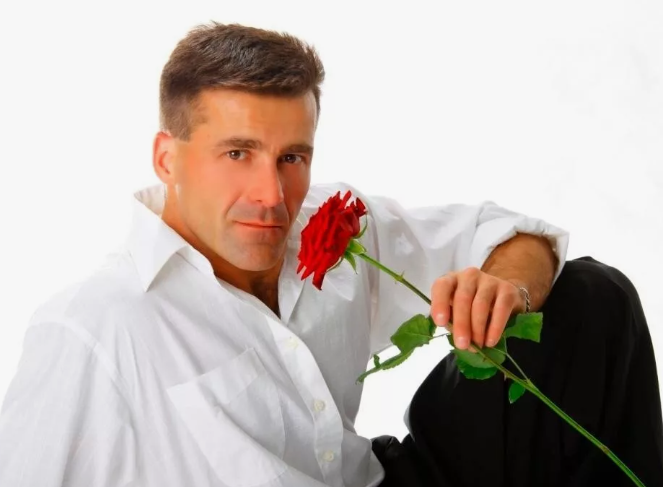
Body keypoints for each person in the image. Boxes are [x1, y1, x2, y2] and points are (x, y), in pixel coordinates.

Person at [0, 21, 661, 487]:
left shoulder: (330, 224)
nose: (271, 195)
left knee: (590, 299)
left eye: (292, 157)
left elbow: (511, 234)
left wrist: (507, 288)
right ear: (167, 158)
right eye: (237, 153)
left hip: (382, 477)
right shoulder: (91, 327)